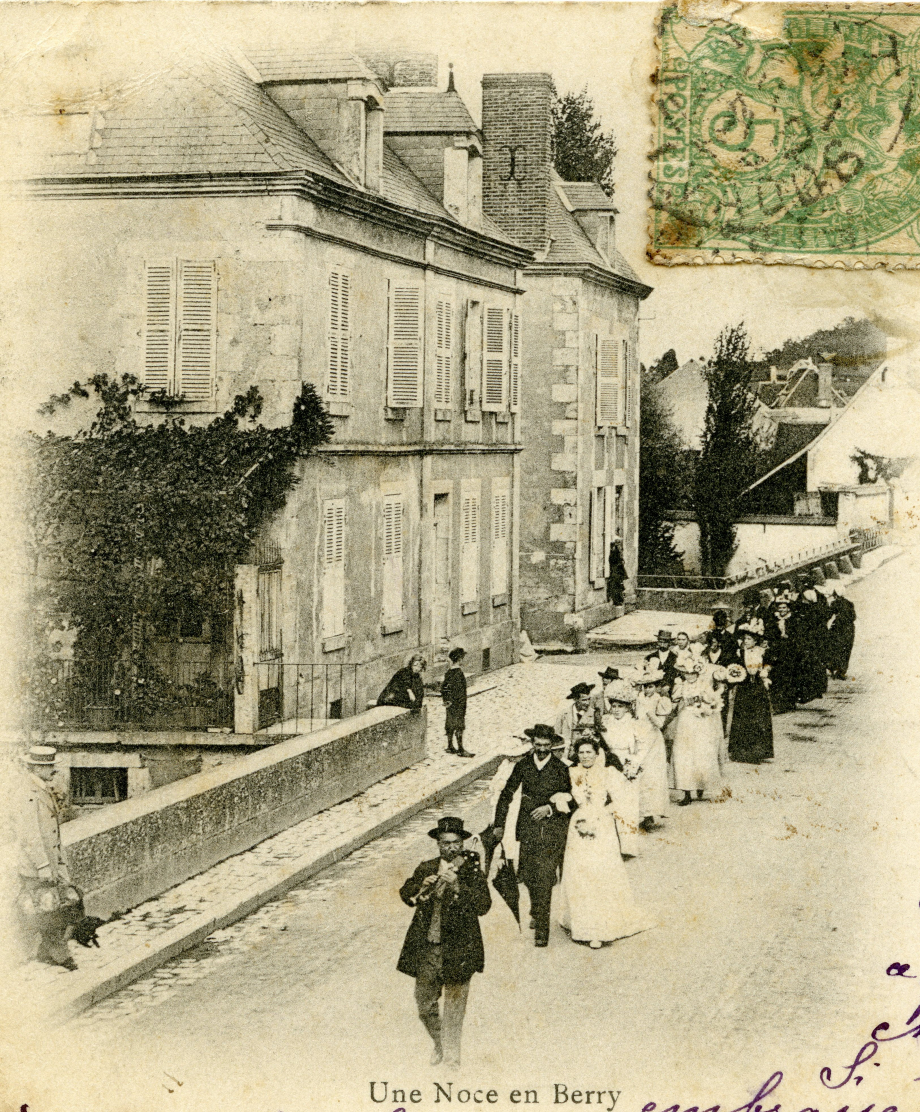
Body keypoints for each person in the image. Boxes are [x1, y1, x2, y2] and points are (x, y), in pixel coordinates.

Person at [398, 816, 491, 1069]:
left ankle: (452, 1058)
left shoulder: (471, 870)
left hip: (459, 948)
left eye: (455, 843)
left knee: (454, 1008)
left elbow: (484, 905)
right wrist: (420, 884)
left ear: (461, 844)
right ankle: (440, 1043)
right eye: (444, 843)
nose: (450, 848)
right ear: (437, 845)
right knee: (424, 1005)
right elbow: (406, 894)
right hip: (428, 948)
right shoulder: (426, 867)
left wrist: (459, 886)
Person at [556, 739, 655, 949]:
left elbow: (622, 796)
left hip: (602, 824)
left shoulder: (608, 772)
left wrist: (605, 813)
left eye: (589, 752)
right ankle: (580, 922)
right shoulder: (571, 772)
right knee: (579, 871)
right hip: (578, 823)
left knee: (601, 871)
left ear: (597, 753)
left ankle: (601, 927)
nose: (585, 756)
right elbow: (566, 795)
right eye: (581, 752)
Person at [492, 724, 572, 947]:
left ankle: (542, 930)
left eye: (547, 745)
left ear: (552, 745)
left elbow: (572, 799)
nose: (542, 749)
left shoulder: (560, 768)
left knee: (545, 877)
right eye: (538, 745)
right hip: (527, 829)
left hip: (552, 830)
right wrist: (498, 824)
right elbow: (506, 793)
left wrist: (550, 808)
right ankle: (537, 910)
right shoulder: (524, 766)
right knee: (528, 876)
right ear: (532, 744)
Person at [14, 745, 78, 970]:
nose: (52, 770)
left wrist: (59, 862)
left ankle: (48, 950)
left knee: (58, 906)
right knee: (47, 908)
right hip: (38, 865)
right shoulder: (28, 793)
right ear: (36, 768)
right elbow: (30, 834)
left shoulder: (42, 788)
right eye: (48, 766)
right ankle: (57, 954)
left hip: (52, 861)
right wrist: (42, 866)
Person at [595, 680, 642, 856]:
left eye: (620, 707)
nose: (616, 709)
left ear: (627, 708)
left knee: (627, 807)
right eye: (613, 706)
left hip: (627, 764)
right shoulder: (607, 722)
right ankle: (611, 846)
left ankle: (628, 846)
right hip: (609, 764)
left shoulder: (634, 723)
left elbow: (641, 746)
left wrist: (634, 764)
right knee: (609, 804)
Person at [670, 655, 721, 806]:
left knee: (700, 751)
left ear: (698, 673)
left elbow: (713, 701)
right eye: (687, 673)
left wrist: (705, 705)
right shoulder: (681, 685)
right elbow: (674, 699)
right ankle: (686, 792)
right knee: (683, 753)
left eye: (693, 673)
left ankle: (701, 784)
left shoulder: (704, 685)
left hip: (700, 722)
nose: (690, 676)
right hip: (686, 721)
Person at [632, 664, 671, 830]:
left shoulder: (660, 700)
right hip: (639, 738)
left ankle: (651, 813)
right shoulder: (638, 698)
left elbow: (660, 724)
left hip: (653, 741)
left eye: (650, 686)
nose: (647, 690)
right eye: (645, 687)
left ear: (656, 687)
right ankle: (641, 813)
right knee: (638, 773)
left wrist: (648, 711)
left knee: (652, 776)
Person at [728, 630, 775, 764]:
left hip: (758, 687)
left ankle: (758, 752)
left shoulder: (762, 651)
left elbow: (769, 663)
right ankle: (740, 752)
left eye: (749, 639)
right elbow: (734, 667)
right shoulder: (740, 653)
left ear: (755, 641)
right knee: (743, 717)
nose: (746, 641)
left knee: (759, 717)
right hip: (745, 687)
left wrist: (766, 670)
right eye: (745, 639)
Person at [764, 599, 797, 714]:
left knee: (789, 677)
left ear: (788, 608)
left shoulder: (793, 619)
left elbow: (798, 634)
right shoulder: (774, 620)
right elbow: (768, 633)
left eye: (784, 607)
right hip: (776, 651)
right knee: (777, 676)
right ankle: (778, 704)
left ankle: (789, 702)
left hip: (789, 651)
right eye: (780, 608)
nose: (782, 610)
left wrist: (790, 637)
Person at [441, 648, 473, 757]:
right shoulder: (458, 673)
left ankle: (450, 746)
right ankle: (460, 749)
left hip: (450, 704)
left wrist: (446, 700)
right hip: (459, 703)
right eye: (462, 658)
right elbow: (460, 691)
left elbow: (444, 687)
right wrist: (461, 703)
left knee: (450, 723)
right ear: (460, 659)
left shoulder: (449, 672)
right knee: (459, 725)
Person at [555, 682, 598, 763]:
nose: (587, 703)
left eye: (589, 699)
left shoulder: (594, 714)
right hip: (565, 756)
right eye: (584, 700)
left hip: (584, 757)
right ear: (575, 699)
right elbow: (557, 736)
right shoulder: (563, 714)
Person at [826, 587, 856, 679]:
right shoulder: (850, 603)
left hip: (838, 628)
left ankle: (832, 666)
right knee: (846, 649)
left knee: (834, 647)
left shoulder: (835, 603)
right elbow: (853, 617)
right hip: (849, 629)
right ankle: (842, 670)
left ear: (835, 594)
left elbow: (828, 615)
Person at [606, 541, 627, 606]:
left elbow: (618, 563)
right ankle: (618, 601)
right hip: (616, 572)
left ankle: (618, 601)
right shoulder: (615, 554)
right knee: (616, 586)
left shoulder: (616, 554)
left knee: (617, 586)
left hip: (616, 572)